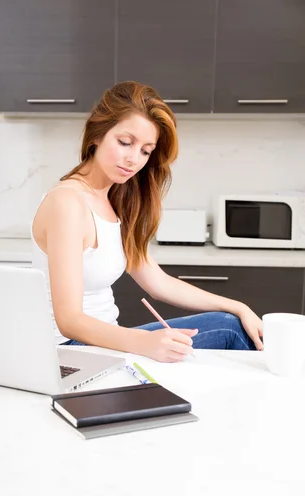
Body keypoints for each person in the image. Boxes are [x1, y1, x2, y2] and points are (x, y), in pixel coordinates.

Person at [32, 81, 263, 363]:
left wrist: (238, 306)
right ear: (97, 135)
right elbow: (69, 320)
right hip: (70, 351)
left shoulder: (113, 202)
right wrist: (144, 342)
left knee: (233, 321)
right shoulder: (67, 202)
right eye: (125, 143)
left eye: (145, 151)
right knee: (230, 330)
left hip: (104, 344)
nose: (133, 159)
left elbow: (159, 283)